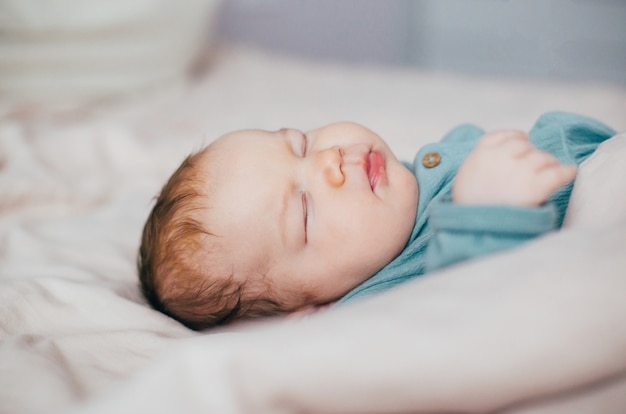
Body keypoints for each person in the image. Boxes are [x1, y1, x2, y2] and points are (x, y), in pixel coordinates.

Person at [137, 111, 616, 330]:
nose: (328, 160)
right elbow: (465, 328)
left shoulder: (407, 183)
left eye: (299, 142)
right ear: (310, 311)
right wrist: (481, 215)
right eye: (304, 210)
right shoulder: (383, 304)